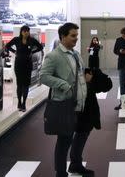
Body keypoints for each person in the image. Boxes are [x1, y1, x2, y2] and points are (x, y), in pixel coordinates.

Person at [40, 23, 94, 177]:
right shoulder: (54, 56)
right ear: (63, 36)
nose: (76, 39)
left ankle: (76, 165)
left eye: (76, 35)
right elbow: (43, 76)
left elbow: (80, 74)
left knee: (82, 133)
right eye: (73, 36)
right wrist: (63, 84)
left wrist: (86, 78)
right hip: (65, 104)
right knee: (64, 140)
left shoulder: (76, 54)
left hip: (81, 103)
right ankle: (60, 173)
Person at [5, 25, 43, 111]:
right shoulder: (16, 39)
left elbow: (40, 47)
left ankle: (24, 103)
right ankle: (19, 102)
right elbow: (7, 46)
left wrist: (32, 52)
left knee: (26, 85)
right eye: (25, 31)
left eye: (27, 31)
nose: (26, 32)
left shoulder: (32, 40)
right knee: (19, 84)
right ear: (21, 32)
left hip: (28, 65)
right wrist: (14, 51)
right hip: (18, 64)